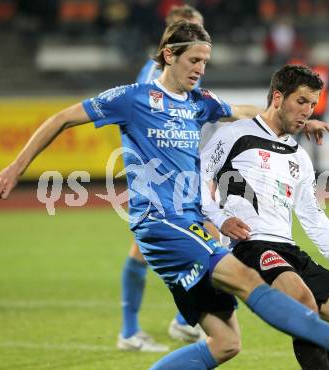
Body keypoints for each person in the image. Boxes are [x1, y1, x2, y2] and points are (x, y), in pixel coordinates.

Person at [0, 22, 329, 370]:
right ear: (168, 55)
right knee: (244, 277)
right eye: (194, 60)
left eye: (205, 62)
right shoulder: (133, 99)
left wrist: (303, 121)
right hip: (160, 220)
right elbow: (63, 118)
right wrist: (16, 166)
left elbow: (243, 111)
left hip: (192, 225)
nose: (201, 69)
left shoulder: (198, 104)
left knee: (225, 344)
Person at [200, 64, 329, 369]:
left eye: (312, 104)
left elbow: (315, 220)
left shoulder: (299, 157)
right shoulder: (235, 134)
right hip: (251, 246)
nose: (308, 111)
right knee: (302, 302)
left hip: (289, 250)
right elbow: (196, 179)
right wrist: (219, 218)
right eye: (301, 102)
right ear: (278, 98)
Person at [119, 4, 206, 352]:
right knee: (210, 236)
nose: (199, 37)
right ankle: (182, 321)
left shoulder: (186, 69)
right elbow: (145, 122)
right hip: (159, 177)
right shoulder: (153, 76)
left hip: (171, 174)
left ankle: (141, 329)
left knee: (146, 248)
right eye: (191, 30)